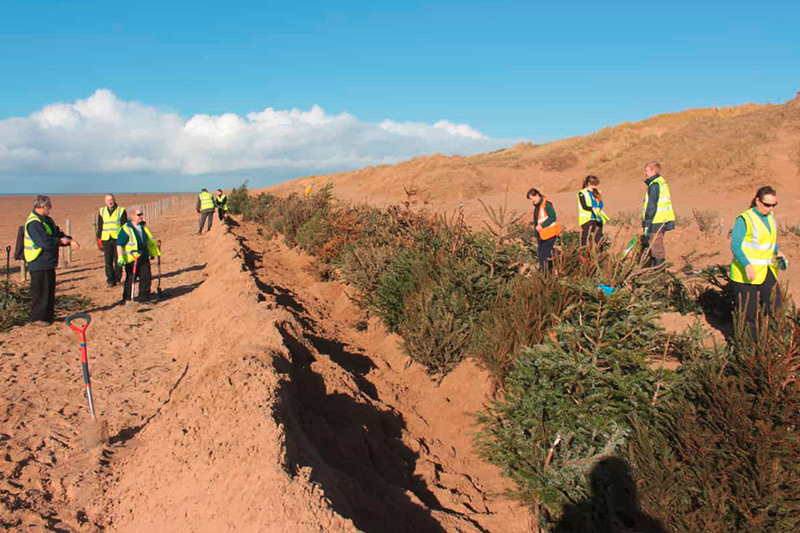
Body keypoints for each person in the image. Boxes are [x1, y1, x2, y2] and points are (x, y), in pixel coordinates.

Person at [730, 186, 787, 332]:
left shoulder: (770, 217)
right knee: (748, 314)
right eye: (767, 205)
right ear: (757, 201)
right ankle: (748, 348)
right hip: (745, 273)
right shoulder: (745, 219)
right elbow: (736, 245)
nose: (771, 209)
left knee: (775, 306)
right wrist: (747, 265)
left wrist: (778, 251)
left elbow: (768, 241)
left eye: (774, 205)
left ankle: (772, 342)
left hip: (767, 270)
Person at [23, 195, 80, 325]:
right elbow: (44, 242)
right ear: (42, 207)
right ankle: (38, 318)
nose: (50, 208)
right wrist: (60, 241)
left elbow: (56, 233)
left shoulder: (46, 220)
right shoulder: (34, 223)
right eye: (49, 206)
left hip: (48, 262)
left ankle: (48, 317)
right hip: (37, 261)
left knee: (49, 290)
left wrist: (68, 240)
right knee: (40, 291)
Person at [116, 208, 161, 304]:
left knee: (146, 277)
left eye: (142, 214)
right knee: (130, 279)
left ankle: (144, 298)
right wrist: (120, 258)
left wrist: (155, 245)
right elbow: (119, 244)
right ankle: (127, 299)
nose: (141, 216)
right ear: (132, 216)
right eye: (138, 215)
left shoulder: (143, 227)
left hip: (143, 257)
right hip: (132, 259)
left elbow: (149, 240)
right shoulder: (126, 229)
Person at [642, 161, 675, 266]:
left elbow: (651, 206)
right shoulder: (661, 182)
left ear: (653, 171)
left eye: (646, 170)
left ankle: (659, 275)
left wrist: (647, 224)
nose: (644, 173)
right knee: (655, 248)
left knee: (657, 249)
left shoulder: (655, 185)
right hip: (661, 220)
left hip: (656, 221)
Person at [96, 193, 127, 287]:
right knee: (108, 261)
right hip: (106, 238)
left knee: (118, 260)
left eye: (112, 199)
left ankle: (118, 279)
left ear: (115, 200)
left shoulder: (121, 211)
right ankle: (110, 280)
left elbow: (124, 226)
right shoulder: (101, 211)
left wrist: (124, 239)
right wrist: (99, 239)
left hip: (117, 239)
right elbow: (100, 226)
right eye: (108, 200)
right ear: (105, 201)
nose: (110, 202)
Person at [527, 188, 562, 270]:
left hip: (549, 233)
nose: (532, 201)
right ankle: (547, 271)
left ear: (537, 195)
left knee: (544, 255)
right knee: (542, 254)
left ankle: (546, 273)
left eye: (532, 199)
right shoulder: (538, 206)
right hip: (542, 235)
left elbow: (553, 217)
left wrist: (542, 226)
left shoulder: (546, 204)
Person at [577, 175, 609, 247]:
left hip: (597, 218)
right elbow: (584, 205)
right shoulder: (582, 193)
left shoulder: (597, 192)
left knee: (597, 238)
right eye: (594, 184)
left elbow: (601, 203)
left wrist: (599, 207)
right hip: (587, 219)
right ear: (589, 183)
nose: (596, 186)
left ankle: (597, 252)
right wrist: (592, 208)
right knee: (586, 238)